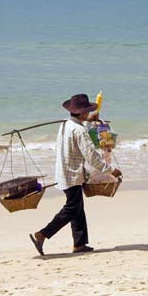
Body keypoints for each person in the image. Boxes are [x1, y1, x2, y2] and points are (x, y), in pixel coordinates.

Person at [29, 94, 122, 255]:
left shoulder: (66, 125)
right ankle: (43, 234)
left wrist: (90, 120)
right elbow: (92, 157)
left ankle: (79, 244)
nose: (88, 113)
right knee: (72, 209)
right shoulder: (78, 130)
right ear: (81, 113)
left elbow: (81, 132)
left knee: (78, 208)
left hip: (64, 171)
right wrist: (111, 170)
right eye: (86, 111)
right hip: (72, 174)